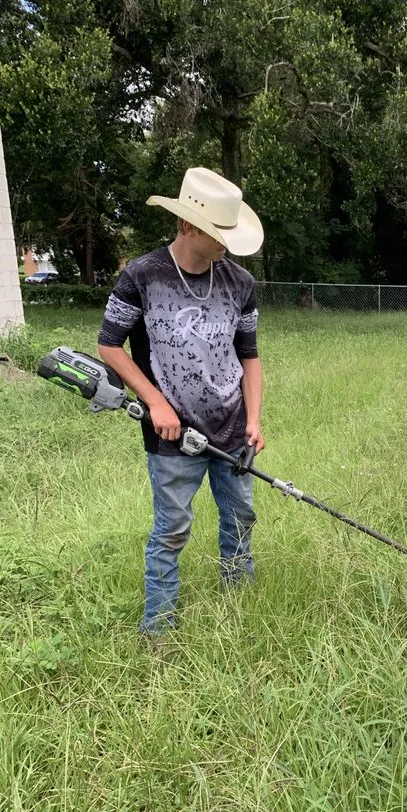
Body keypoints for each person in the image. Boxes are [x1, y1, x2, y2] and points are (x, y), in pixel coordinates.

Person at [98, 167, 265, 637]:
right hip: (172, 436)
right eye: (218, 235)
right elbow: (109, 344)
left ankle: (238, 609)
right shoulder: (141, 276)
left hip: (232, 429)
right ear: (190, 226)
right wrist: (154, 401)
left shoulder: (240, 284)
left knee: (241, 519)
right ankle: (159, 630)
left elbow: (249, 358)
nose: (225, 245)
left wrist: (253, 420)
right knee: (171, 531)